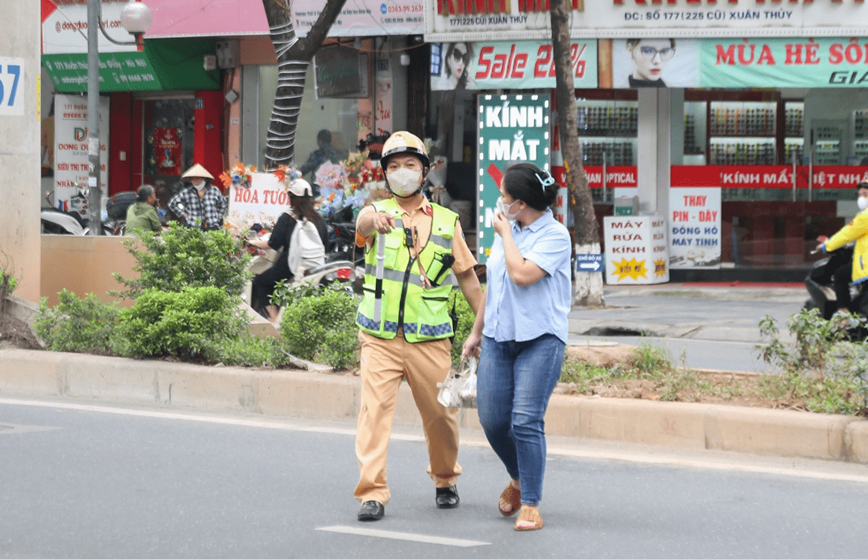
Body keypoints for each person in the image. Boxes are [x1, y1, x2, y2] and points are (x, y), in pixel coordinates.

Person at [353, 131, 483, 522]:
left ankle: (445, 478)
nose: (402, 173)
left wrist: (484, 326)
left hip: (430, 338)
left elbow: (469, 279)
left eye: (410, 165)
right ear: (385, 174)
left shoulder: (446, 222)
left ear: (424, 171)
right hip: (380, 336)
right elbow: (362, 225)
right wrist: (374, 219)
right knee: (373, 413)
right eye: (394, 167)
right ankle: (371, 492)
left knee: (442, 416)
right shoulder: (377, 212)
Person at [461, 162, 571, 532]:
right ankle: (519, 478)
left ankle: (531, 503)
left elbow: (522, 275)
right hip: (497, 336)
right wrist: (477, 331)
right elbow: (497, 285)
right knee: (492, 421)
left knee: (525, 421)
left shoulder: (555, 235)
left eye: (504, 196)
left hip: (540, 340)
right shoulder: (511, 229)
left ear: (519, 203)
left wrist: (506, 235)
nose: (500, 201)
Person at [247, 178, 328, 322]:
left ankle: (274, 318)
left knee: (261, 282)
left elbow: (273, 244)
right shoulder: (319, 219)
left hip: (291, 266)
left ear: (291, 197)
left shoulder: (287, 218)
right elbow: (326, 245)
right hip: (316, 266)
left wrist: (252, 242)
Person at [817, 182, 868, 315]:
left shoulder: (865, 216)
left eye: (865, 194)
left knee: (840, 274)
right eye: (860, 195)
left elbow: (847, 234)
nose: (862, 198)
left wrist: (826, 246)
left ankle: (844, 315)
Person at [168, 164, 227, 231]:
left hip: (212, 227)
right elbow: (172, 203)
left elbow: (223, 205)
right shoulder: (187, 192)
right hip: (194, 227)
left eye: (197, 178)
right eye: (192, 179)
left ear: (204, 179)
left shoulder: (214, 190)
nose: (195, 181)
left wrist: (218, 217)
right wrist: (185, 214)